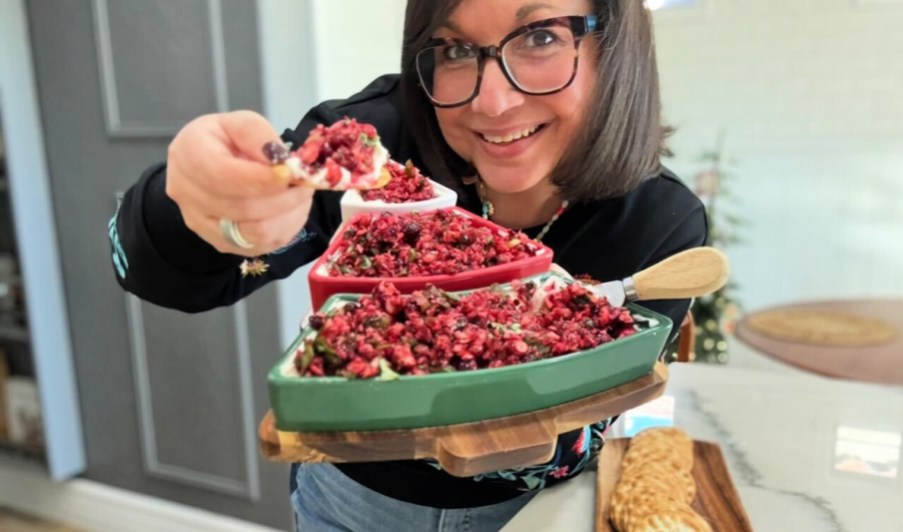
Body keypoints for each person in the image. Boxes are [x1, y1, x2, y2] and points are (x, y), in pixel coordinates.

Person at [109, 0, 707, 529]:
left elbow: (617, 394)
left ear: (616, 44)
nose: (492, 100)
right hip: (352, 505)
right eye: (453, 49)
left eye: (542, 35)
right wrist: (208, 212)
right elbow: (161, 269)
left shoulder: (665, 224)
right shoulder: (379, 144)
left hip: (535, 512)